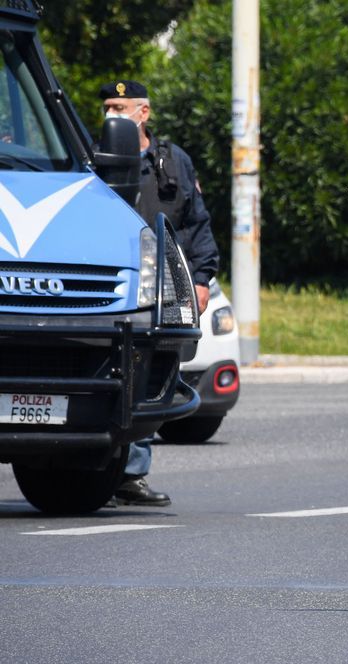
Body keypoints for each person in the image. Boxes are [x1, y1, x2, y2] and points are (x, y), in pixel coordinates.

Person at [100, 80, 219, 507]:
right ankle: (98, 472)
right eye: (108, 107)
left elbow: (195, 223)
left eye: (120, 106)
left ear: (143, 113)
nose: (111, 115)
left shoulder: (173, 162)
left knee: (149, 379)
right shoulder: (92, 158)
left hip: (159, 289)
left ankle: (130, 475)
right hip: (109, 288)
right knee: (103, 378)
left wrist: (203, 280)